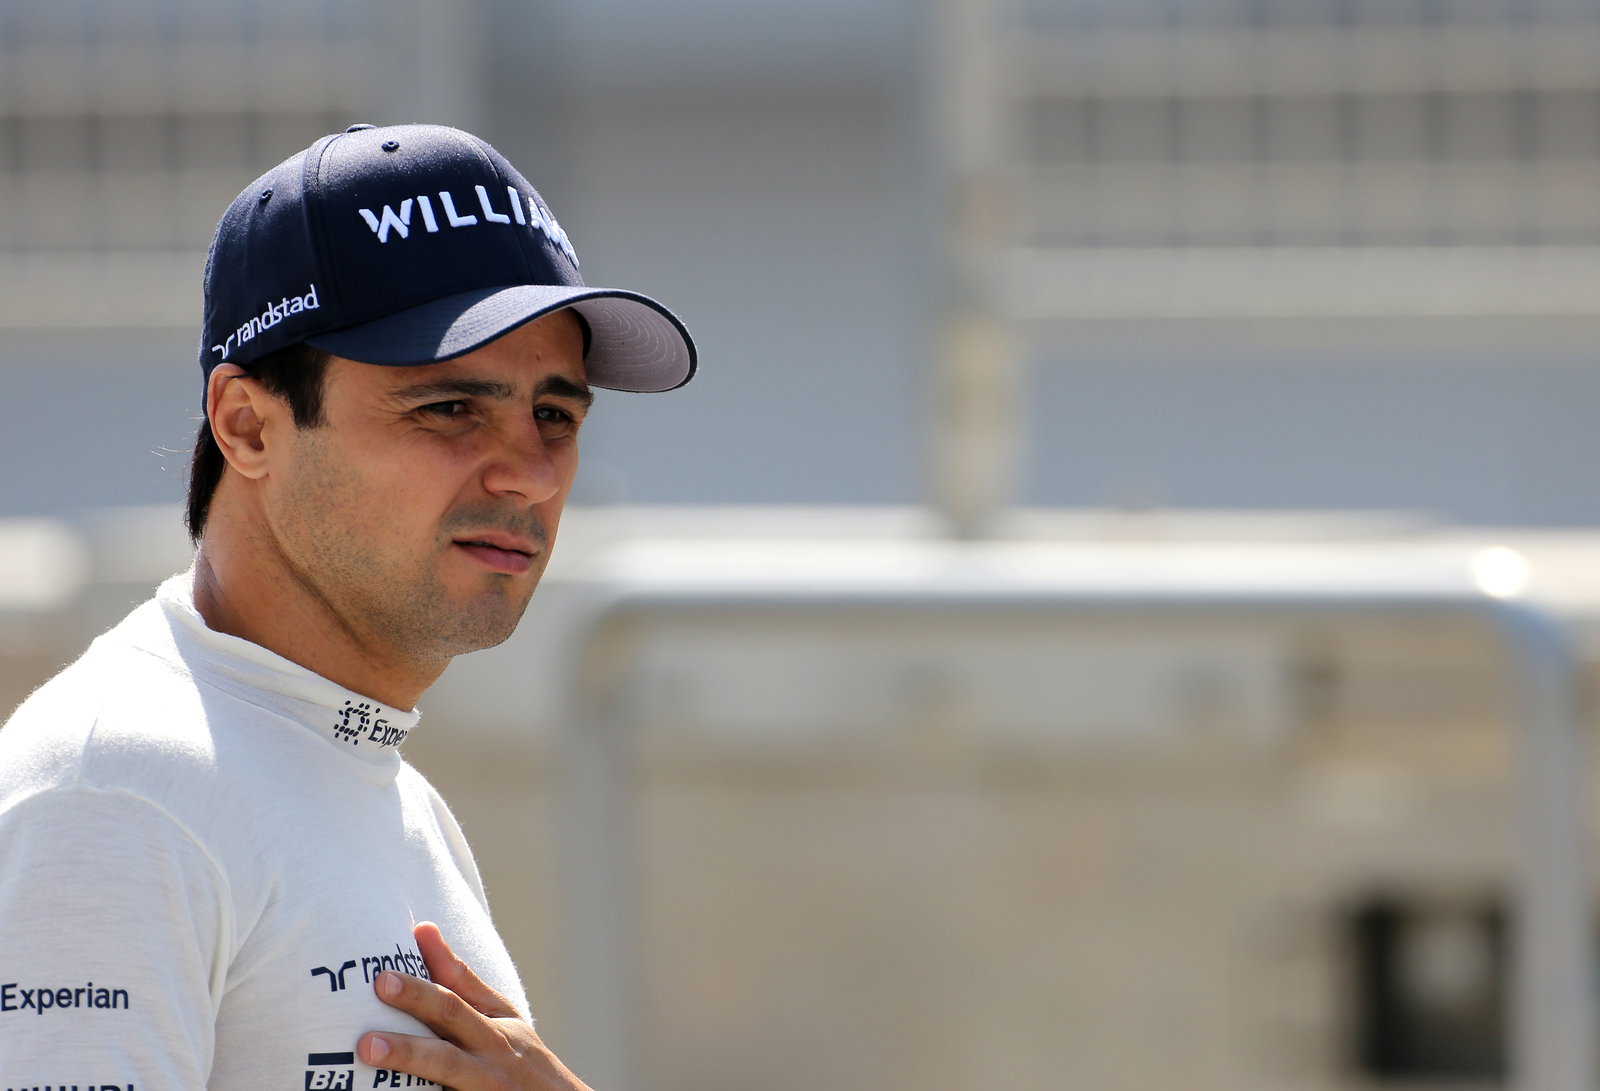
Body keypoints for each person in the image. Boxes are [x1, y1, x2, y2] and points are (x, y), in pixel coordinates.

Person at [0, 122, 696, 1088]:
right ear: (248, 424)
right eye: (449, 407)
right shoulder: (117, 791)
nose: (532, 472)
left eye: (556, 412)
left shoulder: (375, 784)